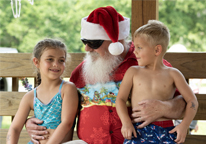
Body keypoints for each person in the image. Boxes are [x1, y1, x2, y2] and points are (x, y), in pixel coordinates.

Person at [25, 6, 186, 144]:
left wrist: (164, 107)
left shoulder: (147, 63)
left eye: (94, 43)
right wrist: (31, 122)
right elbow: (56, 108)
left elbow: (185, 102)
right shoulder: (81, 72)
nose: (87, 49)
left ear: (115, 42)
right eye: (85, 42)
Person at [116, 20, 198, 144]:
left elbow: (192, 101)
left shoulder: (173, 74)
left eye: (139, 47)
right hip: (138, 131)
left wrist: (184, 125)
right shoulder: (133, 72)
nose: (135, 51)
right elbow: (120, 99)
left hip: (166, 131)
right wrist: (126, 122)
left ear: (157, 50)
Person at [6, 38, 79, 144]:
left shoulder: (67, 89)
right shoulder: (30, 96)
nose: (56, 64)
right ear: (36, 62)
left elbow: (67, 123)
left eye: (61, 60)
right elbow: (15, 128)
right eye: (50, 59)